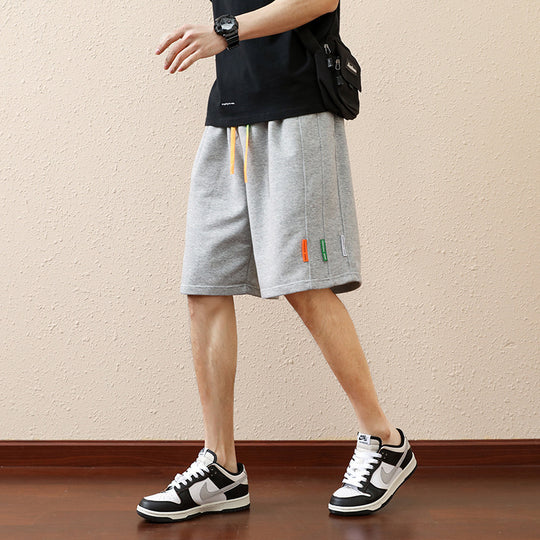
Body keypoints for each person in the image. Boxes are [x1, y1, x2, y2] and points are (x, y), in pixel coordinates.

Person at [136, 0, 417, 523]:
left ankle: (385, 442)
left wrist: (226, 32)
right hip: (229, 117)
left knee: (304, 283)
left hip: (297, 113)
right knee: (205, 286)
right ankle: (221, 469)